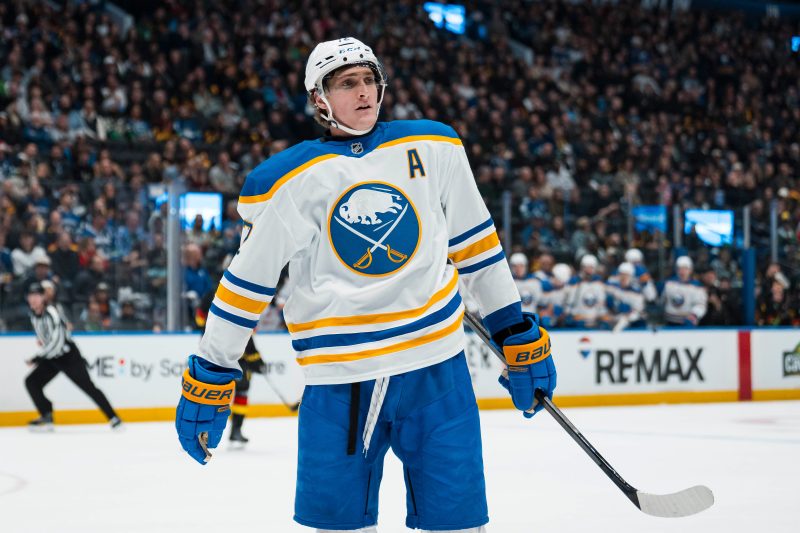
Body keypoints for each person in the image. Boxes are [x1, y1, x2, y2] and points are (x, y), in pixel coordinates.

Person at [174, 37, 557, 533]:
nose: (363, 91)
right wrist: (212, 370)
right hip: (339, 382)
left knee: (460, 525)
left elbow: (477, 247)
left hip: (436, 370)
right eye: (347, 83)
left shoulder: (435, 147)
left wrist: (513, 331)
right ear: (319, 99)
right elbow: (246, 284)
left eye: (369, 79)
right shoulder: (288, 179)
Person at [23, 282, 122, 430]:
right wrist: (43, 348)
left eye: (37, 295)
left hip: (68, 357)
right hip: (51, 357)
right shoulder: (33, 315)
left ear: (43, 297)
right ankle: (47, 415)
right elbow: (46, 338)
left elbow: (57, 341)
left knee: (88, 387)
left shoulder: (52, 312)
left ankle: (113, 417)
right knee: (31, 382)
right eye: (31, 296)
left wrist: (38, 357)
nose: (33, 299)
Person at [660, 256, 708, 326]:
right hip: (669, 322)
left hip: (687, 323)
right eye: (680, 268)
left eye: (685, 268)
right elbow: (662, 300)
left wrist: (694, 315)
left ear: (690, 270)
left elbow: (701, 305)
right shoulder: (669, 284)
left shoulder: (697, 286)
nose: (682, 271)